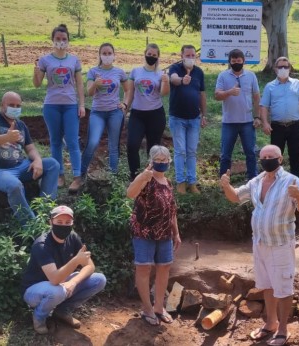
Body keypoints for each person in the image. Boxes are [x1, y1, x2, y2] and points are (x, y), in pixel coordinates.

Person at [220, 144, 299, 346]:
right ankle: (271, 323)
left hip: (280, 244)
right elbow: (236, 197)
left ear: (280, 159)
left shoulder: (292, 181)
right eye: (264, 156)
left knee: (283, 288)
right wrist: (226, 186)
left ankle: (283, 330)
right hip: (260, 243)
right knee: (267, 285)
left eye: (271, 156)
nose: (267, 159)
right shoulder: (257, 181)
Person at [0, 91, 60, 225]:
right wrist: (6, 138)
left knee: (52, 164)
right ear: (1, 105)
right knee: (14, 185)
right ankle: (32, 226)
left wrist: (37, 160)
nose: (15, 108)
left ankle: (45, 212)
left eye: (18, 105)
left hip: (19, 166)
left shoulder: (21, 125)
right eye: (11, 105)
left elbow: (30, 148)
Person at [21, 205, 107, 334]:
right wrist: (76, 260)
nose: (64, 225)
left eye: (68, 222)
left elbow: (90, 266)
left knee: (99, 279)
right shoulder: (42, 245)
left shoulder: (73, 237)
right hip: (33, 290)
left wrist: (73, 282)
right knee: (57, 291)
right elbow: (55, 279)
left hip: (60, 283)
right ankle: (39, 318)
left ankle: (62, 311)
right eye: (59, 222)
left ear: (72, 223)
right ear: (51, 222)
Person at [126, 145, 181, 326]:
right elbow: (130, 194)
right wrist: (142, 177)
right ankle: (147, 309)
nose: (161, 163)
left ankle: (159, 307)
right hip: (144, 232)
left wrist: (176, 233)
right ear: (151, 160)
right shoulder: (145, 178)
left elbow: (172, 211)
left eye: (164, 160)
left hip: (164, 233)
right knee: (144, 269)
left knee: (164, 267)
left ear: (169, 162)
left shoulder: (168, 182)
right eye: (157, 160)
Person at [33, 24, 86, 192]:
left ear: (68, 40)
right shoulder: (44, 60)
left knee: (72, 141)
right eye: (58, 39)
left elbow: (79, 84)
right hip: (51, 105)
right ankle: (60, 175)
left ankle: (77, 177)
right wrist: (35, 71)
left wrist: (82, 105)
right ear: (53, 40)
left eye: (64, 39)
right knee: (55, 141)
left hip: (70, 105)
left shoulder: (74, 60)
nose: (61, 42)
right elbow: (36, 84)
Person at [81, 43, 130, 176]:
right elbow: (89, 93)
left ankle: (112, 178)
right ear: (100, 55)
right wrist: (95, 84)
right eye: (104, 53)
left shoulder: (119, 72)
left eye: (109, 53)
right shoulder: (93, 71)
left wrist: (125, 104)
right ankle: (81, 174)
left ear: (114, 55)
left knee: (113, 146)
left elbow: (128, 89)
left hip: (115, 112)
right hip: (98, 112)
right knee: (93, 142)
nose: (107, 56)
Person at [125, 43, 170, 181]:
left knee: (153, 147)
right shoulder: (135, 71)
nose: (151, 57)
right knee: (132, 145)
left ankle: (152, 176)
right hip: (137, 114)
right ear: (145, 54)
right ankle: (135, 176)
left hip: (155, 115)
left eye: (154, 55)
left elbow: (163, 93)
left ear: (158, 57)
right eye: (149, 54)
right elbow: (130, 92)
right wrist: (125, 106)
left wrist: (166, 81)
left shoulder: (161, 73)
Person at [260, 57, 299, 178]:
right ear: (275, 69)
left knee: (295, 157)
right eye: (280, 67)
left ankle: (296, 185)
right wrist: (265, 123)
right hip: (277, 127)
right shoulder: (269, 86)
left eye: (286, 67)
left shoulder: (297, 84)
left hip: (295, 126)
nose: (283, 69)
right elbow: (264, 106)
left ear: (290, 68)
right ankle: (275, 181)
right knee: (275, 157)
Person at [215, 49, 261, 181]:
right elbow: (217, 95)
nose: (236, 63)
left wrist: (257, 117)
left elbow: (257, 97)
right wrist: (229, 92)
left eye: (239, 61)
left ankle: (253, 179)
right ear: (229, 62)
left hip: (247, 121)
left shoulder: (251, 76)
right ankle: (224, 180)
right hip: (229, 122)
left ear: (243, 61)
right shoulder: (223, 76)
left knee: (251, 153)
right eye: (233, 61)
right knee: (225, 154)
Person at [168, 44, 207, 194]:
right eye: (187, 55)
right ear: (181, 56)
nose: (190, 58)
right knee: (180, 151)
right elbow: (173, 79)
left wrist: (204, 114)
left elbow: (202, 94)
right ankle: (180, 182)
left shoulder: (199, 72)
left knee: (191, 151)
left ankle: (192, 182)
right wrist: (182, 80)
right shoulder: (175, 69)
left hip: (194, 119)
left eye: (193, 56)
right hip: (177, 118)